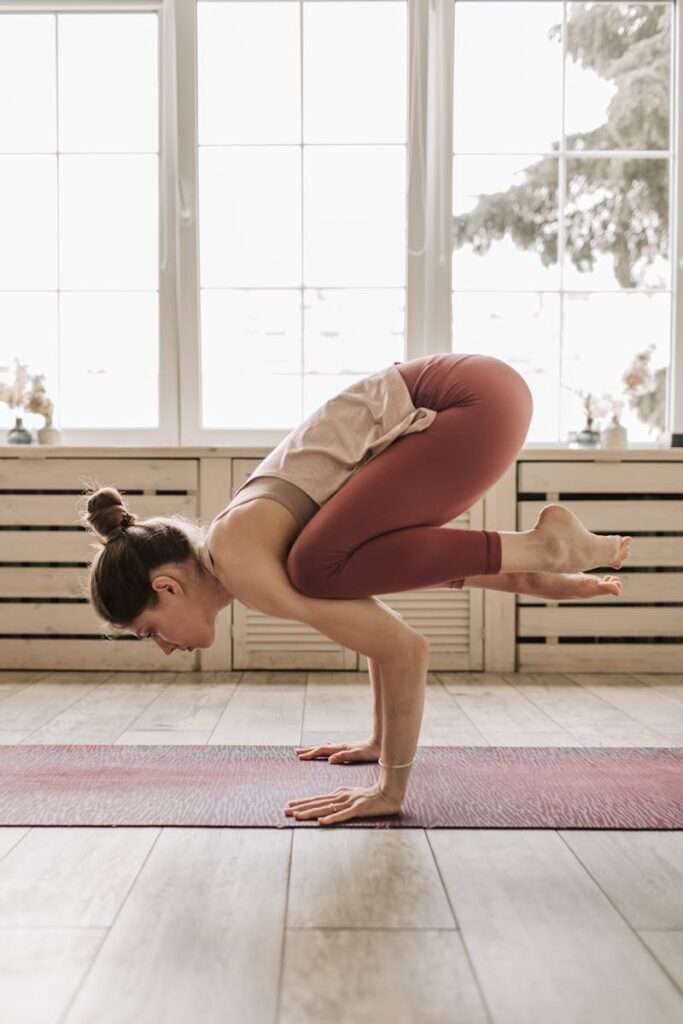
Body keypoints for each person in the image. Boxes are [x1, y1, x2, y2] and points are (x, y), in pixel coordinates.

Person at [80, 352, 632, 825]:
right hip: (481, 396)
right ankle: (536, 557)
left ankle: (542, 547)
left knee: (317, 569)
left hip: (465, 404)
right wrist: (531, 583)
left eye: (149, 630)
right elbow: (377, 595)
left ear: (168, 587)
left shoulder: (246, 565)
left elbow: (402, 647)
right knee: (325, 567)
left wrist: (390, 790)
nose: (163, 646)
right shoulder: (246, 544)